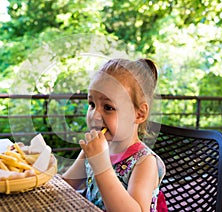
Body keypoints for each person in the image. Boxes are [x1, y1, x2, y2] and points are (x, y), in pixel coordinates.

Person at [62, 58, 166, 211]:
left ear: (139, 114)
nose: (95, 115)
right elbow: (66, 187)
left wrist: (102, 166)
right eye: (92, 104)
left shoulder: (144, 162)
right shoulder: (92, 150)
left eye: (108, 107)